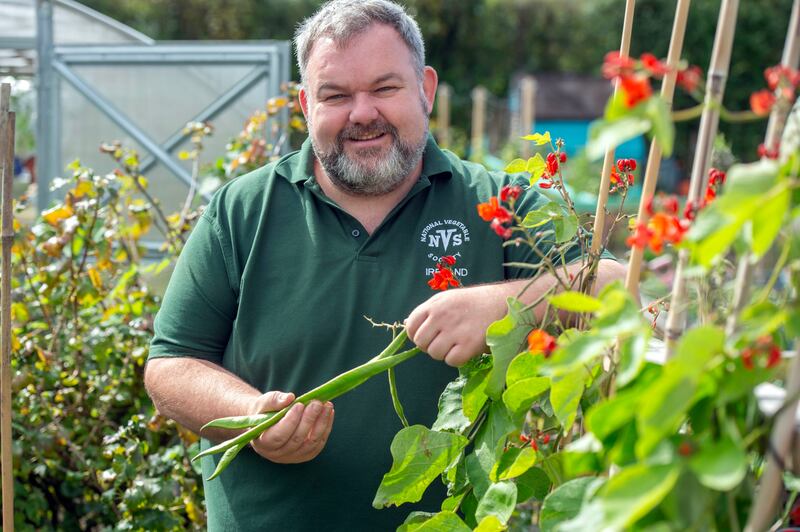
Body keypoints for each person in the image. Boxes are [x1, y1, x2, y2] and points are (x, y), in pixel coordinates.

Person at [144, 1, 625, 530]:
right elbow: (171, 364)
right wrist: (251, 415)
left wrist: (506, 304)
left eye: (385, 88)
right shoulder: (244, 210)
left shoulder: (498, 204)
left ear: (426, 88)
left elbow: (621, 287)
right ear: (306, 104)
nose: (362, 112)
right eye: (336, 96)